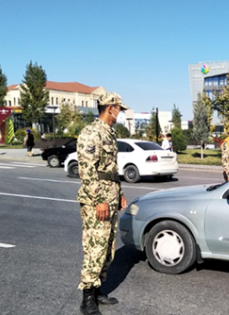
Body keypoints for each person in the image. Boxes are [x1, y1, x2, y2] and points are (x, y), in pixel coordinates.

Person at [76, 92, 128, 315]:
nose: (120, 113)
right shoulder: (91, 133)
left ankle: (98, 289)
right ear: (110, 108)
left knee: (107, 248)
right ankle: (87, 298)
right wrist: (100, 200)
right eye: (119, 108)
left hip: (111, 195)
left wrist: (120, 193)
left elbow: (110, 170)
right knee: (95, 247)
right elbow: (87, 171)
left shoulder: (109, 133)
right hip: (97, 200)